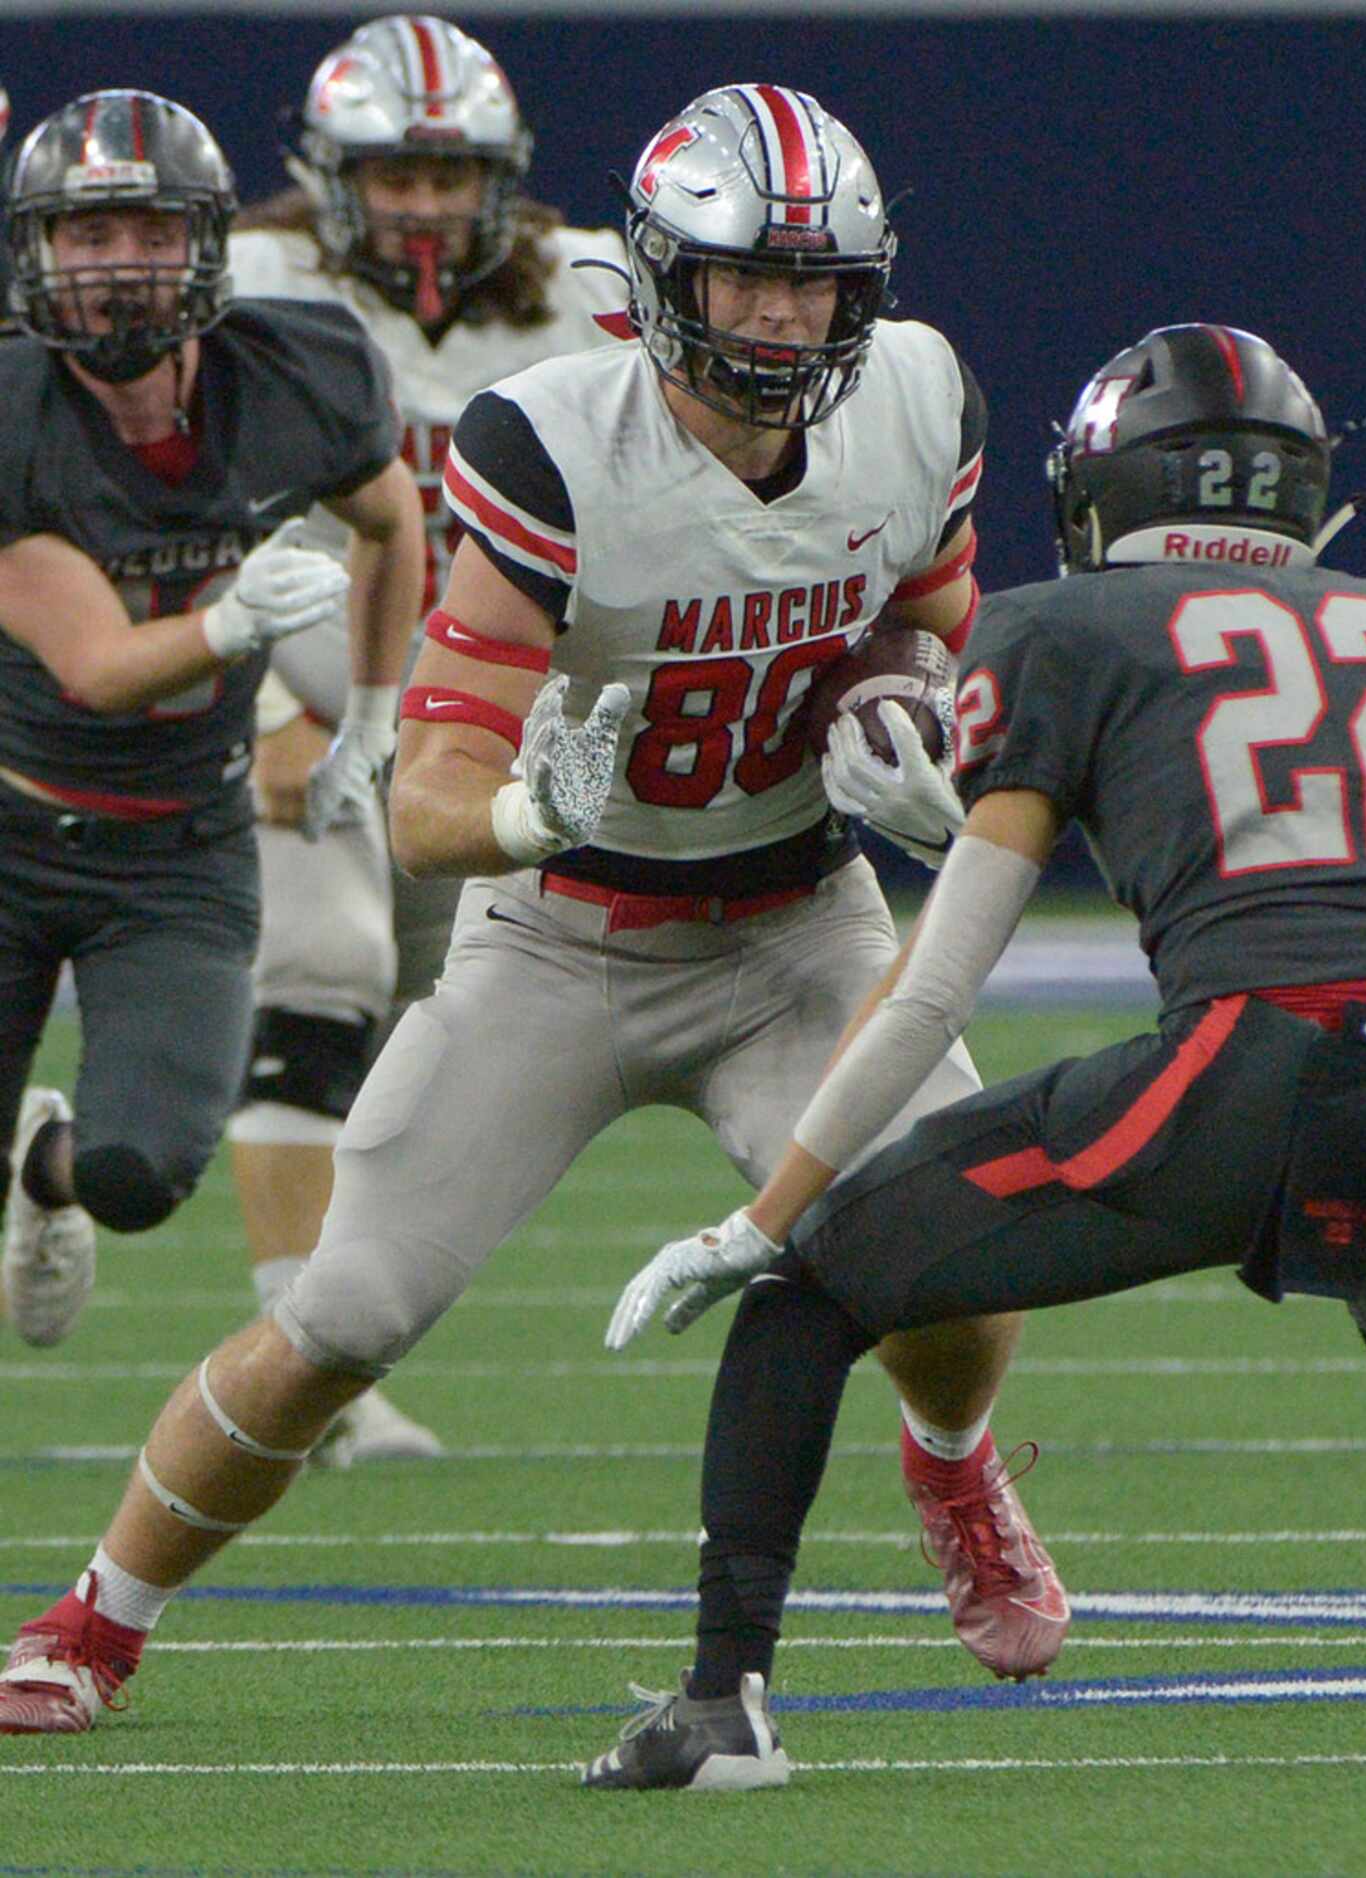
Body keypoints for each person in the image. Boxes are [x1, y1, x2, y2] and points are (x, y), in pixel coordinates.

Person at [0, 82, 1067, 1737]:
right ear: (662, 279)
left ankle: (955, 1467)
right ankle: (96, 1614)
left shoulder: (917, 396)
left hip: (797, 924)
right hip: (566, 934)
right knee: (341, 1314)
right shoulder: (556, 443)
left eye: (815, 280)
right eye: (745, 279)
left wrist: (909, 707)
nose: (784, 314)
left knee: (947, 1244)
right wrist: (529, 808)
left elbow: (931, 610)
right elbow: (424, 814)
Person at [578, 323, 1366, 1790]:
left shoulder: (1064, 633)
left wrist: (765, 1209)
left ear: (1106, 494)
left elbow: (938, 986)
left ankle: (719, 1705)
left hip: (1250, 1067)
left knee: (812, 1284)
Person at [223, 14, 629, 1465]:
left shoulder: (591, 288)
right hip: (309, 691)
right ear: (329, 173)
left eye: (447, 175)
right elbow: (171, 481)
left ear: (498, 175)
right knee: (320, 978)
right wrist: (263, 698)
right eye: (392, 175)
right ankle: (308, 1361)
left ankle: (120, 1136)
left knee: (424, 1025)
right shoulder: (254, 278)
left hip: (476, 723)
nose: (419, 205)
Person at [0, 90, 421, 1352]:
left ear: (201, 242)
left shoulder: (296, 368)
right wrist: (235, 627)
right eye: (84, 236)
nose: (114, 267)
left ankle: (48, 1176)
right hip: (9, 825)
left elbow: (392, 522)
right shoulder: (14, 414)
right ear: (35, 250)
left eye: (140, 232)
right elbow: (96, 665)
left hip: (177, 850)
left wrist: (374, 721)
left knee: (140, 1174)